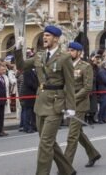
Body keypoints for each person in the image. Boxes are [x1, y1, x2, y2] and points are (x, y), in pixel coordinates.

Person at [14, 25, 77, 175]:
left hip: (56, 104)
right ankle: (67, 170)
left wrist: (71, 107)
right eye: (44, 35)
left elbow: (70, 83)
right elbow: (21, 66)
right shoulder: (39, 55)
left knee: (45, 143)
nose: (45, 38)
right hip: (40, 102)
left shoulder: (64, 57)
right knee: (47, 141)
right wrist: (18, 48)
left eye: (48, 35)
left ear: (56, 38)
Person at [64, 42, 101, 168]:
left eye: (72, 50)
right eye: (68, 50)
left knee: (72, 135)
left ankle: (65, 165)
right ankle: (93, 153)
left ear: (79, 52)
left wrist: (72, 98)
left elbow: (87, 88)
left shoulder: (86, 67)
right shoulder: (66, 65)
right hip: (68, 104)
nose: (70, 52)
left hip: (79, 104)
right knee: (77, 132)